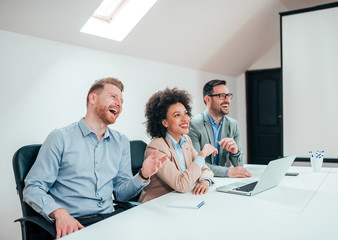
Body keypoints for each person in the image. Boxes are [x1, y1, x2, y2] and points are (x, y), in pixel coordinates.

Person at [23, 77, 167, 239]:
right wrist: (58, 212)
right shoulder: (60, 137)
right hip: (74, 223)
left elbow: (120, 194)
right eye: (113, 97)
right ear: (93, 98)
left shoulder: (121, 142)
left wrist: (142, 175)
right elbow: (33, 187)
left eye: (121, 100)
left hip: (108, 220)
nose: (119, 103)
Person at [139, 88, 216, 203]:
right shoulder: (156, 148)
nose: (185, 119)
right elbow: (181, 185)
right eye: (177, 115)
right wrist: (202, 154)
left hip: (181, 201)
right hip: (157, 205)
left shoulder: (186, 140)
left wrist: (205, 181)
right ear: (164, 122)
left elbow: (205, 169)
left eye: (185, 113)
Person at [188, 80, 252, 178]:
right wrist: (227, 172)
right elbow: (196, 164)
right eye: (222, 96)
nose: (227, 100)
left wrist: (235, 152)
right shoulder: (194, 125)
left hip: (224, 181)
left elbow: (239, 165)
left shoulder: (233, 124)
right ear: (207, 99)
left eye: (228, 95)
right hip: (201, 181)